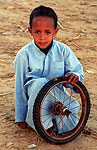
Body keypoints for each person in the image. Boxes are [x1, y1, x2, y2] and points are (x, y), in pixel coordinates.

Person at [13, 5, 84, 133]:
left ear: (55, 32)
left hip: (57, 96)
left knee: (73, 109)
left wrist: (74, 76)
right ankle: (44, 126)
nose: (42, 37)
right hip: (36, 101)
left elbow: (77, 72)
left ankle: (56, 127)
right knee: (40, 82)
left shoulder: (63, 51)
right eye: (37, 32)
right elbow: (19, 86)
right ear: (30, 31)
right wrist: (20, 116)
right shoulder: (24, 55)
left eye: (47, 32)